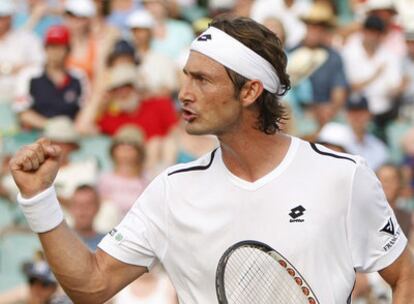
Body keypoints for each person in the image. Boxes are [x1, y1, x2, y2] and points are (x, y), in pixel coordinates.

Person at [9, 15, 414, 303]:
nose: (184, 92)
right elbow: (92, 286)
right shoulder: (171, 190)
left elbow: (405, 275)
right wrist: (39, 200)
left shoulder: (343, 176)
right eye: (186, 76)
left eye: (201, 79)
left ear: (251, 91)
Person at [14, 24, 87, 131]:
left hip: (70, 135)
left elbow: (85, 109)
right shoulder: (30, 75)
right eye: (52, 46)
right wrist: (51, 126)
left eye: (60, 47)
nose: (55, 52)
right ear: (45, 48)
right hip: (38, 135)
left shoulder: (78, 77)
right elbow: (22, 112)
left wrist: (69, 129)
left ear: (68, 50)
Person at [69, 184, 105, 251]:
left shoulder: (106, 243)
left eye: (88, 205)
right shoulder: (61, 240)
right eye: (78, 205)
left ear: (97, 207)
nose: (83, 210)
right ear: (71, 208)